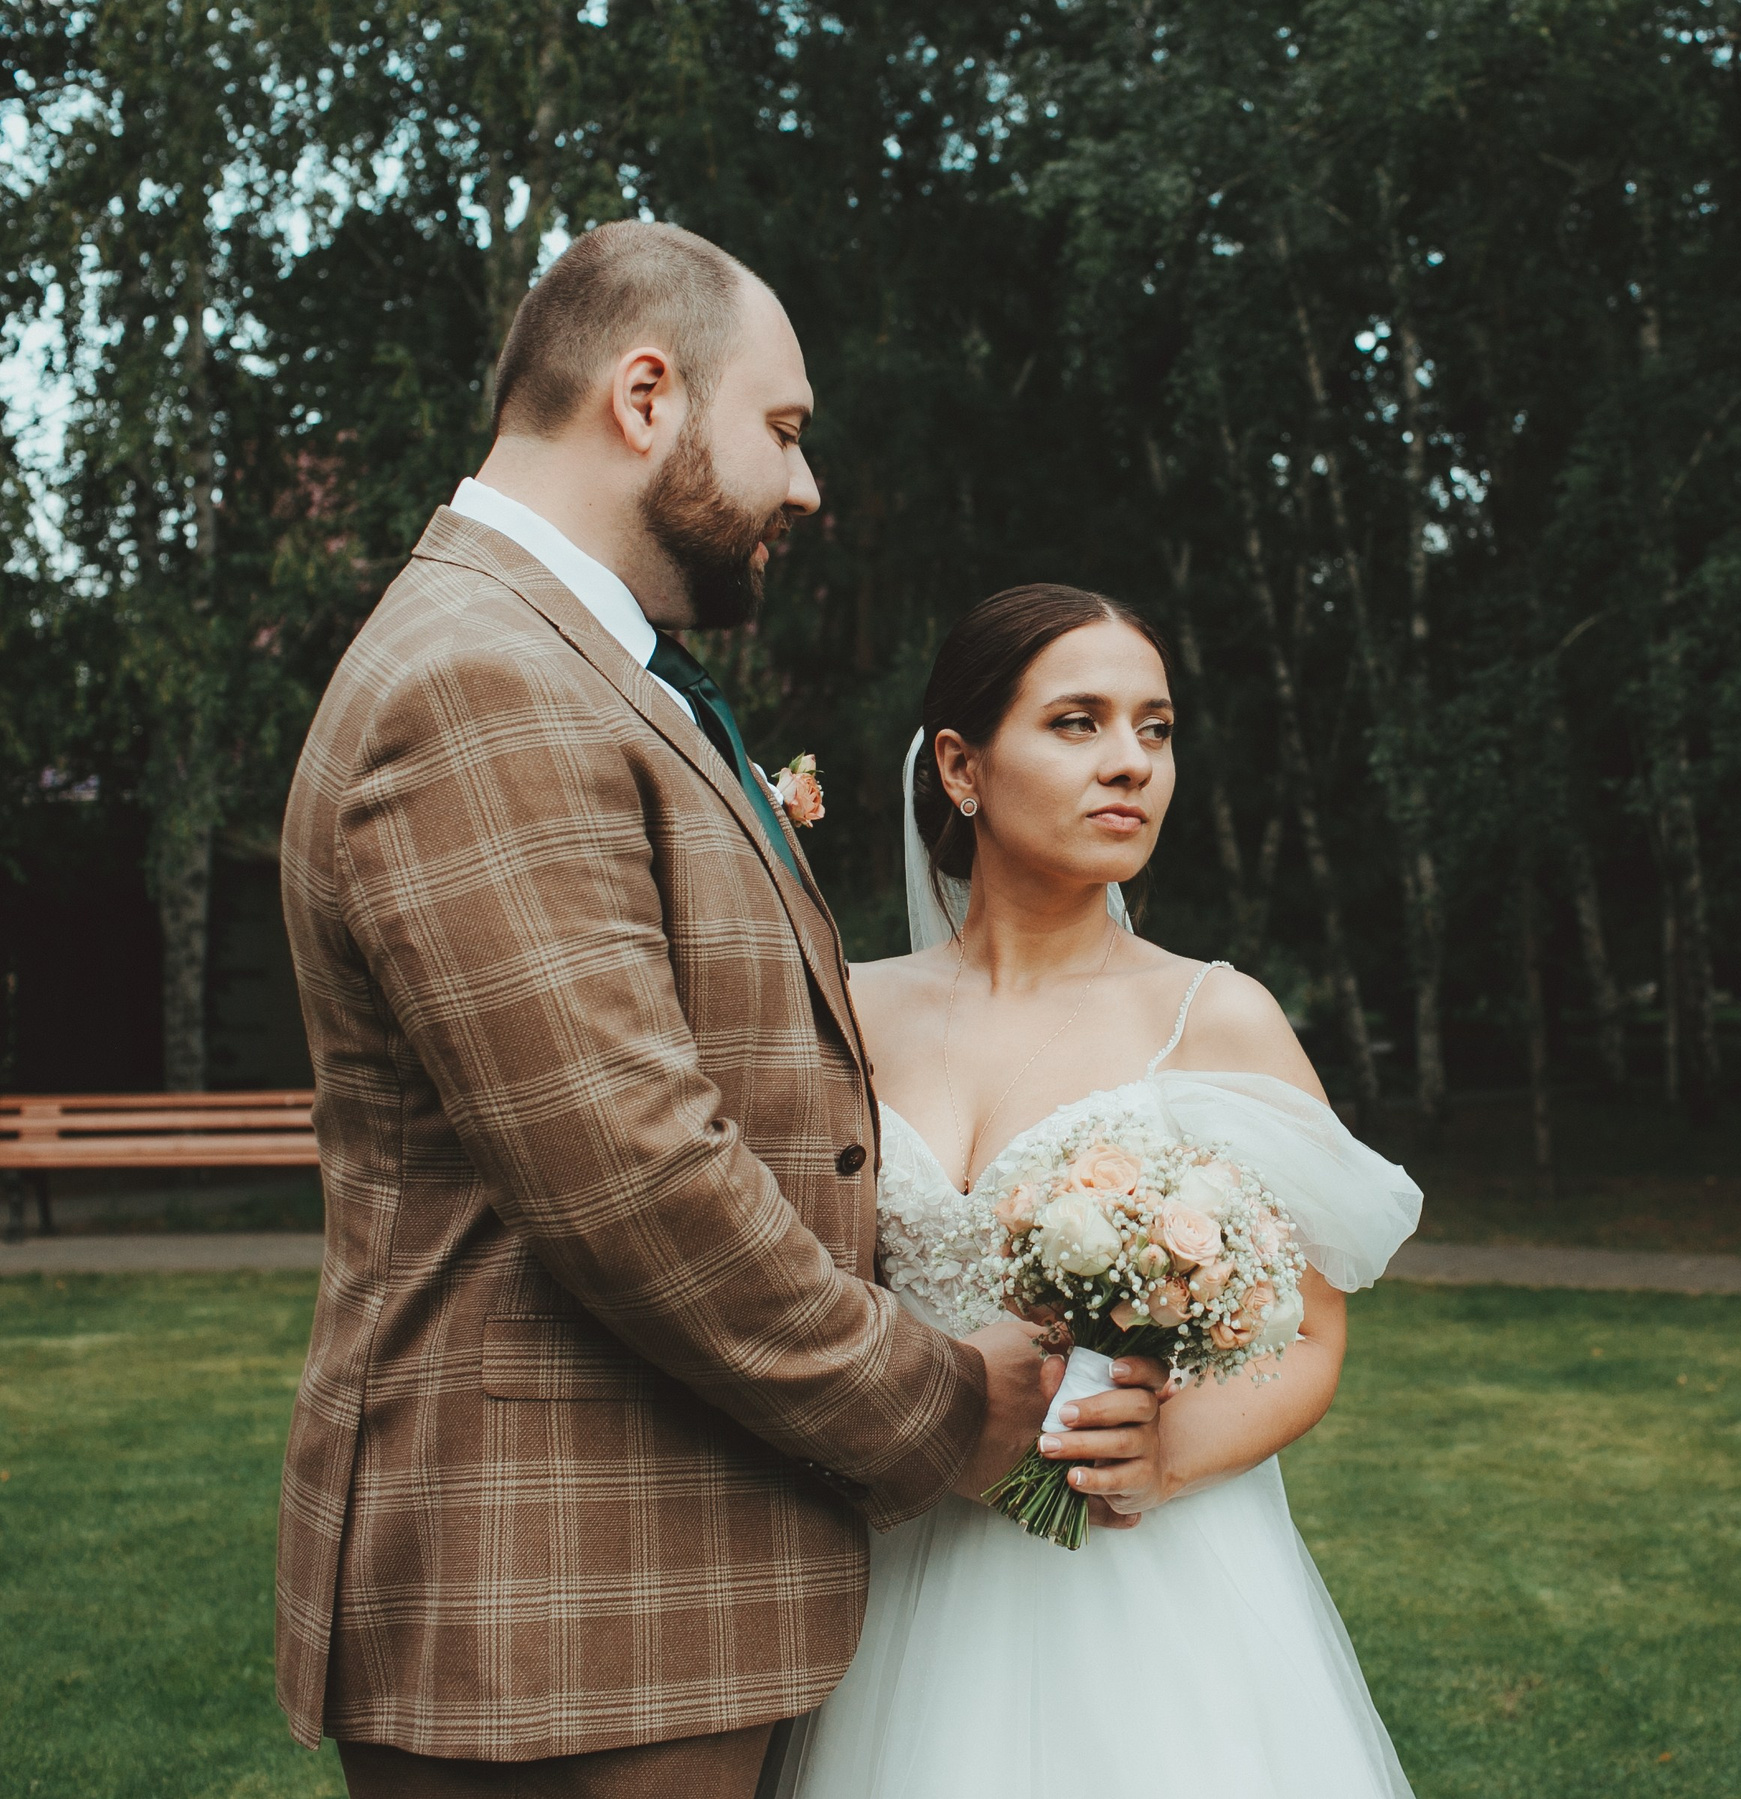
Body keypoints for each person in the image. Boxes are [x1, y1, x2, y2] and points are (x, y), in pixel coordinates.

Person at [274, 223, 1163, 1798]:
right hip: (558, 1605)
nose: (807, 487)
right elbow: (634, 1173)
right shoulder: (483, 679)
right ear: (643, 397)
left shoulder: (575, 668)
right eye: (785, 429)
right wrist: (945, 1399)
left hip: (643, 1589)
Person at [782, 584, 1424, 1798]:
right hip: (894, 1548)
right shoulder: (845, 1007)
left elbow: (1315, 1328)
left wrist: (1167, 1451)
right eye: (1077, 722)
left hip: (1141, 1585)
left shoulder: (1213, 1014)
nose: (1130, 762)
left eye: (1156, 727)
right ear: (963, 767)